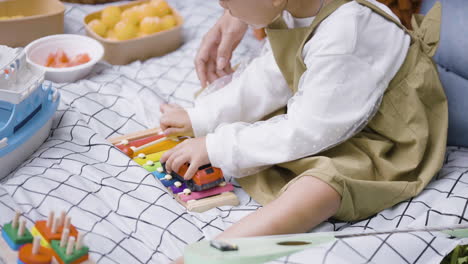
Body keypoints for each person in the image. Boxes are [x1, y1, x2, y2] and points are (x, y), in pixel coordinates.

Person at [159, 0, 446, 262]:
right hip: (333, 111)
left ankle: (216, 253)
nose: (220, 5)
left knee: (321, 188)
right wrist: (202, 118)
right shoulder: (293, 9)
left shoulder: (346, 31)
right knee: (256, 116)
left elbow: (309, 130)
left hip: (384, 137)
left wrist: (216, 146)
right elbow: (271, 78)